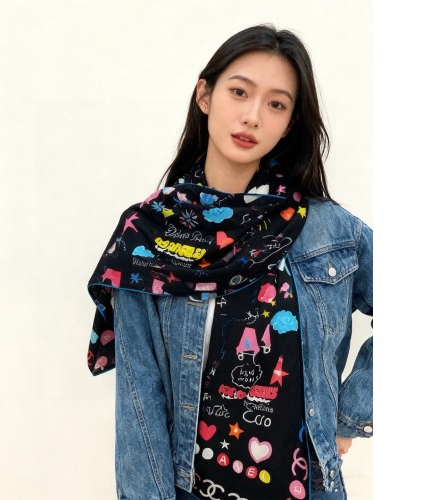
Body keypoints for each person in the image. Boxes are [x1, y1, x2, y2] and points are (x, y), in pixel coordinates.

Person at [87, 24, 373, 500]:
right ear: (205, 95)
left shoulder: (331, 231)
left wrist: (350, 416)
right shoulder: (147, 235)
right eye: (239, 92)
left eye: (276, 104)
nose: (252, 116)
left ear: (290, 123)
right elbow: (140, 404)